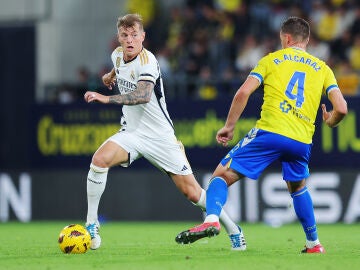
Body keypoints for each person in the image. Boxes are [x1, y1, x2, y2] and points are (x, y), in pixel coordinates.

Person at [175, 16, 348, 253]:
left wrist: (229, 126)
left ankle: (212, 219)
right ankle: (314, 243)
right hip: (301, 141)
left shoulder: (271, 60)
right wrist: (331, 122)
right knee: (297, 187)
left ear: (285, 38)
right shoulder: (323, 68)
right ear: (306, 40)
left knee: (221, 175)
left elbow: (242, 93)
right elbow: (341, 108)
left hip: (271, 132)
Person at [83, 13, 245, 251]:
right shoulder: (117, 55)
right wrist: (109, 76)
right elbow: (118, 69)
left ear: (143, 37)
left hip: (160, 138)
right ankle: (91, 223)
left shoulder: (148, 62)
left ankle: (234, 229)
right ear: (119, 37)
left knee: (193, 193)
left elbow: (143, 95)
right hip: (132, 134)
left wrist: (106, 99)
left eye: (134, 35)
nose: (129, 40)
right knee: (99, 159)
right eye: (125, 35)